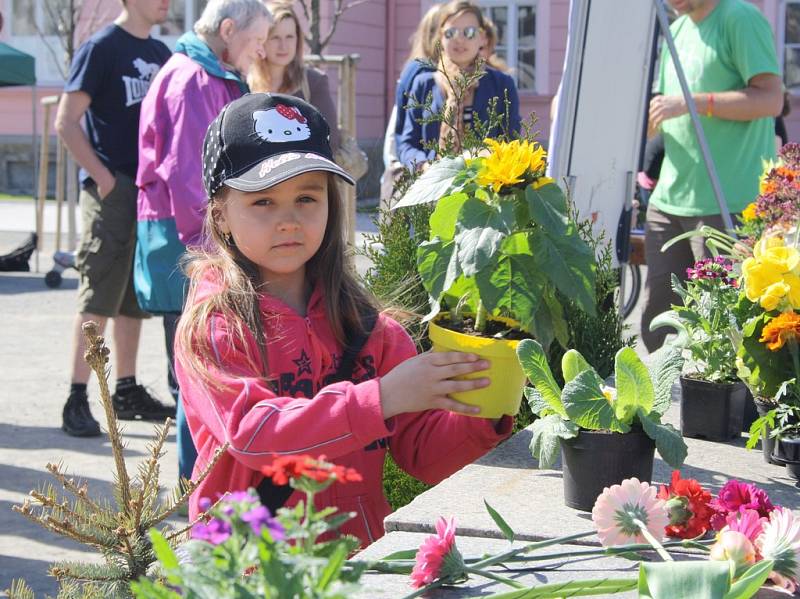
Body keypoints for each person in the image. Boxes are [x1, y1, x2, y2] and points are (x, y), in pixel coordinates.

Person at [174, 93, 513, 546]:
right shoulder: (215, 325)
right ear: (221, 214)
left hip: (354, 563)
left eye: (307, 197)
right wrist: (382, 397)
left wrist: (488, 401)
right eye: (263, 203)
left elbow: (422, 454)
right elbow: (253, 433)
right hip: (249, 569)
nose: (289, 220)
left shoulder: (370, 328)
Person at [135, 0, 271, 482]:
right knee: (196, 367)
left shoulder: (209, 73)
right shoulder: (192, 79)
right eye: (255, 41)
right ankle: (198, 486)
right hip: (191, 241)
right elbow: (190, 173)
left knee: (199, 363)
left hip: (195, 235)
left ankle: (201, 480)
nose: (258, 53)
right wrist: (217, 249)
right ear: (228, 29)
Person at [55, 0, 173, 437]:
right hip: (111, 189)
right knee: (98, 293)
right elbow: (66, 122)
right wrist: (104, 179)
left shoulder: (163, 55)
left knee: (131, 297)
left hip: (146, 191)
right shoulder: (101, 47)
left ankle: (125, 390)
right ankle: (76, 396)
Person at [641, 0, 783, 352]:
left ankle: (719, 407)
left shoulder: (740, 17)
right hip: (669, 201)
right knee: (656, 321)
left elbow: (770, 100)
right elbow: (667, 109)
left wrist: (695, 102)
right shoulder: (676, 30)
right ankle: (657, 403)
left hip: (727, 200)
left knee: (723, 332)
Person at [397, 0, 521, 171]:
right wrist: (425, 166)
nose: (459, 40)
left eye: (469, 32)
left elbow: (512, 143)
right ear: (440, 37)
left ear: (483, 38)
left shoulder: (502, 84)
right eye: (451, 33)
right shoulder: (423, 84)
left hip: (486, 189)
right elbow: (406, 145)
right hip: (433, 188)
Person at [248, 1, 341, 153]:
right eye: (275, 37)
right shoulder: (245, 81)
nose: (283, 46)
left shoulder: (314, 82)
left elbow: (330, 141)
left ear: (298, 39)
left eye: (290, 36)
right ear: (261, 39)